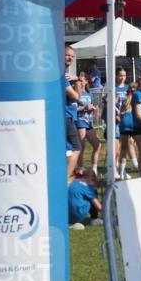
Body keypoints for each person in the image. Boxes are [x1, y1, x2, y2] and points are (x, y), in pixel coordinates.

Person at [75, 74, 101, 175]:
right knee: (81, 147)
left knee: (97, 145)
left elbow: (95, 107)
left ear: (86, 82)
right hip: (79, 122)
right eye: (79, 81)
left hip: (88, 123)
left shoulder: (89, 93)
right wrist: (84, 108)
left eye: (83, 81)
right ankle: (80, 169)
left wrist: (95, 111)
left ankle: (94, 169)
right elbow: (73, 109)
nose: (81, 83)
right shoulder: (75, 94)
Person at [64, 46, 82, 183]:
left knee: (68, 149)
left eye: (72, 56)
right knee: (76, 148)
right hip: (66, 117)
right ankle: (66, 179)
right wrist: (77, 81)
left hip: (67, 116)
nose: (70, 58)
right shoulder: (62, 75)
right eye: (67, 55)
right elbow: (76, 97)